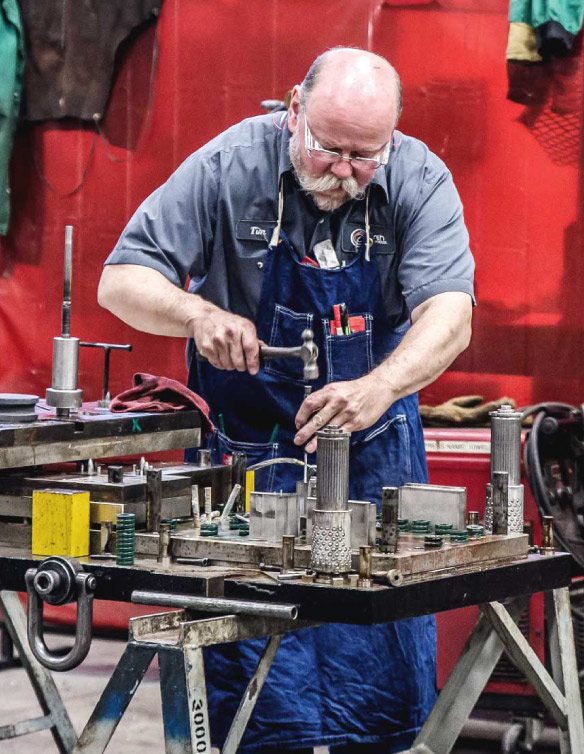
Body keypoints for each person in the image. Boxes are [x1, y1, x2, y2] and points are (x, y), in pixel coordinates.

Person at [99, 47, 474, 754]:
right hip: (249, 463)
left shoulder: (419, 178)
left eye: (364, 156)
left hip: (372, 459)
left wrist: (381, 385)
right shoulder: (228, 166)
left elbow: (451, 314)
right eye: (328, 148)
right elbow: (121, 280)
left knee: (382, 677)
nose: (343, 171)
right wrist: (197, 315)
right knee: (255, 687)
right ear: (294, 109)